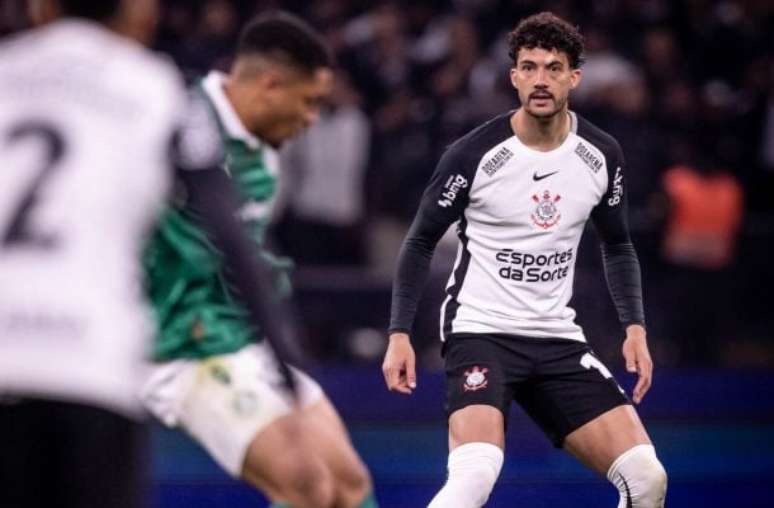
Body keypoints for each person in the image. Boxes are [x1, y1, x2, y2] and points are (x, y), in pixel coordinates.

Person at [0, 1, 303, 508]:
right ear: (140, 14)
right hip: (90, 362)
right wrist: (288, 366)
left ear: (41, 8)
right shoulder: (158, 88)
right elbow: (230, 234)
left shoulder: (7, 71)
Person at [383, 12, 667, 508]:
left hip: (557, 337)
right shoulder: (472, 155)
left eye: (553, 68)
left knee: (647, 478)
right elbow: (420, 241)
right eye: (529, 67)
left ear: (574, 77)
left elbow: (618, 245)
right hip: (481, 331)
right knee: (474, 478)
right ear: (513, 76)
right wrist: (399, 333)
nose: (540, 79)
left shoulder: (601, 155)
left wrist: (635, 327)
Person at [140, 12, 378, 508]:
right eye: (308, 102)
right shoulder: (173, 116)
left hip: (243, 339)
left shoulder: (266, 156)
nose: (312, 120)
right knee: (306, 485)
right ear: (270, 85)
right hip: (178, 345)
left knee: (349, 483)